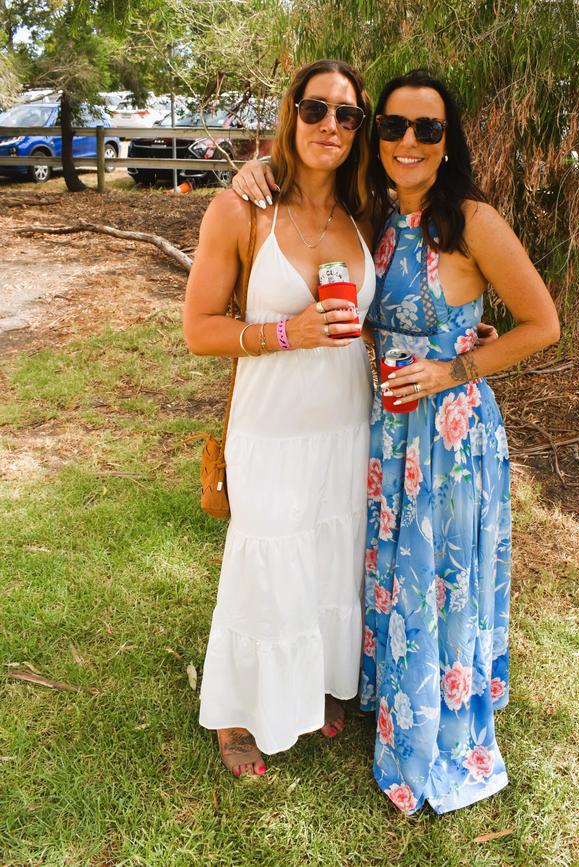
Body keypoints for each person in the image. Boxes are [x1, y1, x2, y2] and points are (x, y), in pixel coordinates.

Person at [232, 69, 560, 812]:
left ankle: (434, 728)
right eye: (392, 126)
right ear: (374, 136)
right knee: (390, 567)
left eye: (428, 129)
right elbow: (299, 193)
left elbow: (543, 323)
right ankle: (389, 696)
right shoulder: (369, 213)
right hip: (382, 431)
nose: (407, 141)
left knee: (436, 579)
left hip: (448, 440)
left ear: (449, 144)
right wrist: (257, 165)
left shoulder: (472, 221)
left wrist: (456, 364)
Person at [183, 59, 377, 778]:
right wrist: (283, 333)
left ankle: (310, 684)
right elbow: (199, 328)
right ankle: (235, 712)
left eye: (347, 115)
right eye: (316, 109)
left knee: (327, 553)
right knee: (263, 558)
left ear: (360, 130)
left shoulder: (365, 211)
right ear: (291, 113)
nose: (331, 125)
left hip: (345, 418)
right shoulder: (242, 209)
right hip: (271, 425)